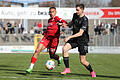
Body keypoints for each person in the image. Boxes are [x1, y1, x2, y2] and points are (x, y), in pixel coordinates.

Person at [26, 7, 67, 74]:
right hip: (46, 38)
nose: (51, 13)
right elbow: (50, 30)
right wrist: (44, 33)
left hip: (54, 40)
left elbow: (62, 21)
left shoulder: (57, 18)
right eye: (50, 12)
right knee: (37, 50)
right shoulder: (49, 20)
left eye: (52, 12)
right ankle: (30, 68)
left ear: (55, 12)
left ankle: (59, 58)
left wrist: (64, 23)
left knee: (52, 55)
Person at [61, 4, 96, 78]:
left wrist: (69, 37)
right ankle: (67, 69)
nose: (76, 11)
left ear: (82, 10)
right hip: (75, 39)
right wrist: (64, 24)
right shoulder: (75, 15)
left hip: (82, 40)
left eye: (78, 10)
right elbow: (71, 23)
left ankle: (92, 71)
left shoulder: (85, 20)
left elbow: (80, 33)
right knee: (64, 49)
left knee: (82, 61)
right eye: (76, 9)